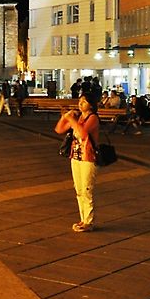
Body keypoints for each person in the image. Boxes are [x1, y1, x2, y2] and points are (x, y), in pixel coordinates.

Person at [55, 94, 101, 233]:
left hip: (88, 157)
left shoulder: (93, 118)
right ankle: (83, 219)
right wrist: (65, 117)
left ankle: (89, 221)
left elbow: (82, 133)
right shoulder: (79, 118)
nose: (80, 104)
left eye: (84, 102)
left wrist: (71, 119)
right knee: (79, 190)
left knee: (87, 189)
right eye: (80, 101)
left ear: (91, 105)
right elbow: (59, 129)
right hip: (75, 156)